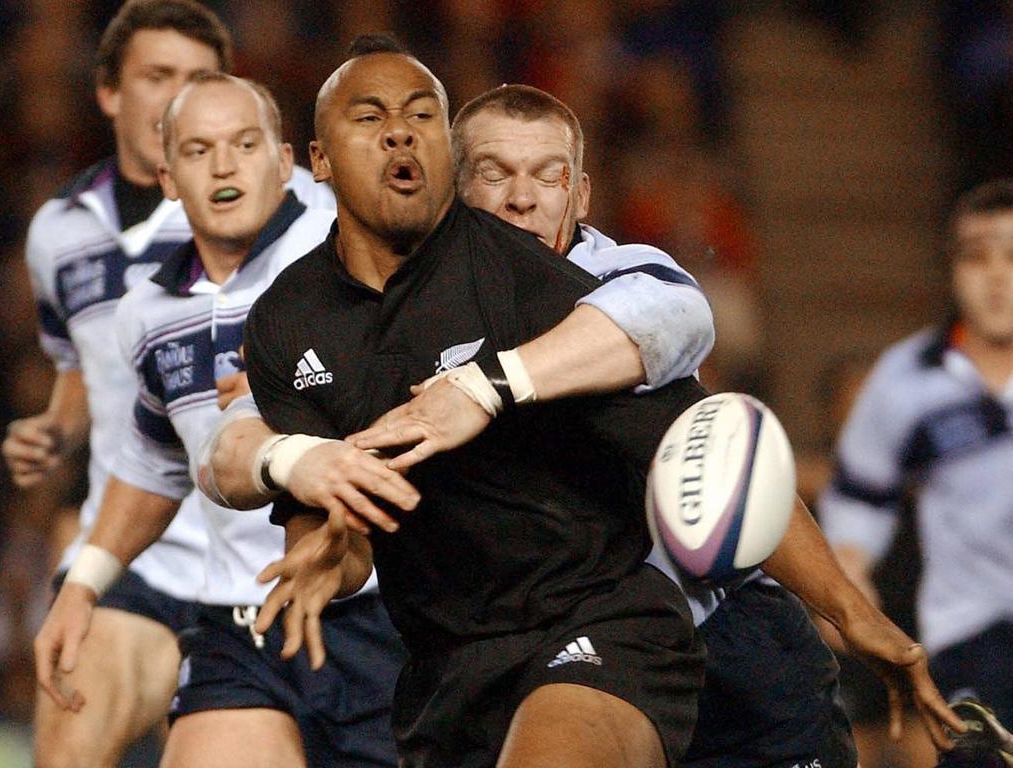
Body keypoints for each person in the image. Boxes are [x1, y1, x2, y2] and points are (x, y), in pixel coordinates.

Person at [238, 41, 962, 767]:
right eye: (493, 172)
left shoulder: (576, 286)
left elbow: (691, 377)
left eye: (546, 175)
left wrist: (852, 613)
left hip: (645, 628)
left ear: (580, 196)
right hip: (455, 663)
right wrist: (324, 552)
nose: (522, 197)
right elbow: (315, 505)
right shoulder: (288, 321)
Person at [33, 72, 401, 768]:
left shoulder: (350, 247)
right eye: (199, 151)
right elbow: (151, 465)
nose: (224, 165)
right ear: (170, 177)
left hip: (381, 617)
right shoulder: (148, 313)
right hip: (243, 622)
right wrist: (83, 583)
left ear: (284, 161)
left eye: (244, 144)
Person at [2, 4, 230, 766]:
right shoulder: (58, 230)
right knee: (64, 750)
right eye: (156, 76)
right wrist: (55, 429)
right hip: (130, 559)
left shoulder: (276, 211)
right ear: (108, 92)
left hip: (247, 568)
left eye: (197, 80)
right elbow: (80, 370)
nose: (175, 97)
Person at [819, 178, 1013, 766]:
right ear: (951, 269)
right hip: (968, 638)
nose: (997, 274)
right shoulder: (903, 382)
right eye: (977, 255)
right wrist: (849, 568)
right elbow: (858, 494)